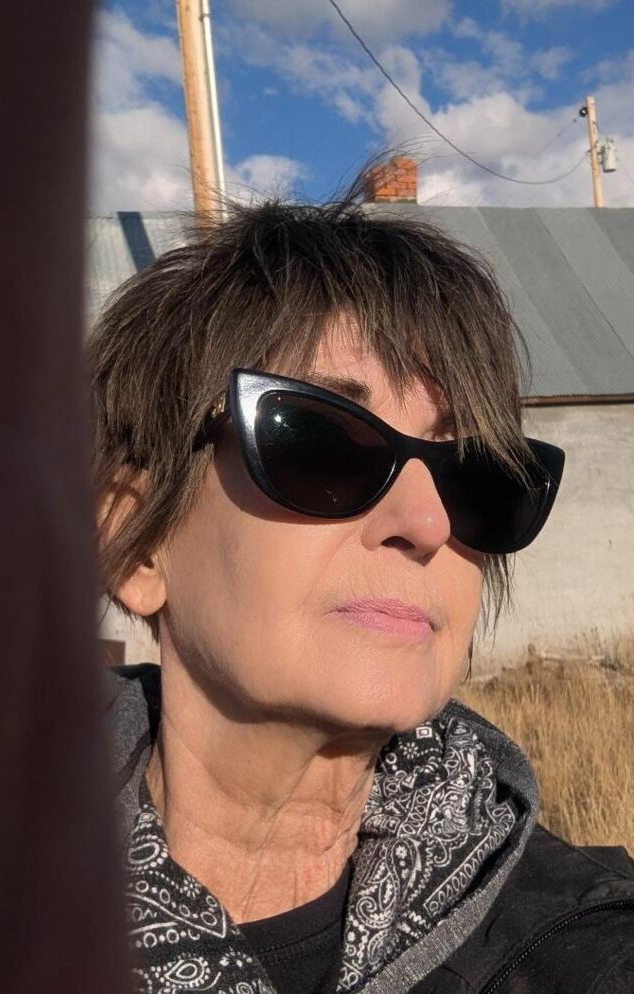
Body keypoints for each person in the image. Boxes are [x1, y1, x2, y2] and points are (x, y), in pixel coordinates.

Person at [93, 191, 634, 994]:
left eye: (475, 473)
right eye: (321, 443)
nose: (427, 521)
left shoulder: (587, 949)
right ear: (137, 545)